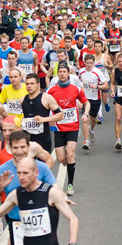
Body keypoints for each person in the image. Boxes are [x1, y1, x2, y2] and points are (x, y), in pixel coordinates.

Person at [0, 156, 79, 245]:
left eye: (25, 173)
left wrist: (72, 243)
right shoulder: (16, 195)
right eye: (19, 173)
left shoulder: (51, 193)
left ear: (36, 173)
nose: (21, 177)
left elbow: (73, 219)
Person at [0, 130, 55, 241]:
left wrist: (62, 198)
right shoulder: (2, 170)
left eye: (22, 147)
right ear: (10, 148)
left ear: (28, 147)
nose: (19, 151)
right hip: (16, 222)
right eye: (15, 148)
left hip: (42, 222)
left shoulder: (41, 167)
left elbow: (56, 189)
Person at [48, 62, 90, 196]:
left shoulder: (75, 89)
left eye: (64, 72)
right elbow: (45, 104)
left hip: (72, 126)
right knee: (61, 159)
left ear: (68, 74)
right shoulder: (52, 90)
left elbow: (86, 102)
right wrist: (49, 119)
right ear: (57, 74)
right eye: (59, 72)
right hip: (59, 127)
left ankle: (70, 184)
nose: (62, 74)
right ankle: (69, 162)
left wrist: (85, 113)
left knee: (70, 154)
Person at [20, 74, 63, 152]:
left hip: (43, 139)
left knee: (43, 163)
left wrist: (44, 119)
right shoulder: (22, 99)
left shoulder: (47, 98)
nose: (29, 86)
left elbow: (60, 115)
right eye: (27, 84)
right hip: (27, 139)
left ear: (38, 84)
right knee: (28, 163)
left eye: (32, 84)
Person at [77, 55, 108, 150]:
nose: (89, 65)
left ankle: (92, 130)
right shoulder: (81, 71)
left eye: (91, 63)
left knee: (93, 119)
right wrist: (79, 99)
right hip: (85, 99)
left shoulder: (97, 72)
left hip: (95, 99)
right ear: (84, 62)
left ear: (93, 63)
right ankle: (86, 141)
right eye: (87, 63)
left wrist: (97, 87)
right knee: (85, 119)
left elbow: (106, 86)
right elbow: (78, 83)